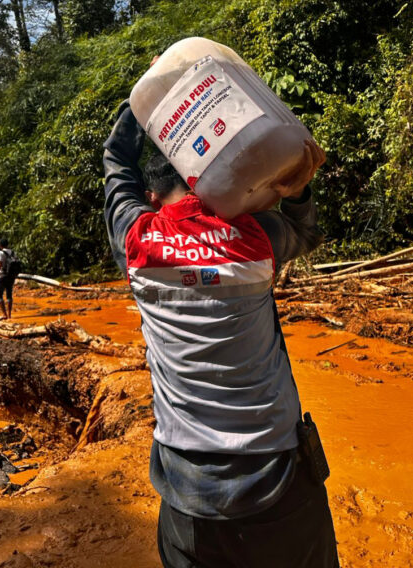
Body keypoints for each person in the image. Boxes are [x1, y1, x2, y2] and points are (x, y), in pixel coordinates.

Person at [102, 99, 337, 568]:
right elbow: (304, 231)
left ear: (151, 200)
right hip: (281, 484)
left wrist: (142, 102)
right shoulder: (254, 237)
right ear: (203, 182)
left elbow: (115, 160)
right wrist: (296, 192)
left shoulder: (136, 241)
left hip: (190, 497)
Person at [0, 237, 18, 320]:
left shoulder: (0, 253)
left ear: (0, 245)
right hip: (11, 276)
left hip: (2, 276)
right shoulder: (13, 252)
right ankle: (9, 315)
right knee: (9, 294)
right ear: (7, 244)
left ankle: (4, 314)